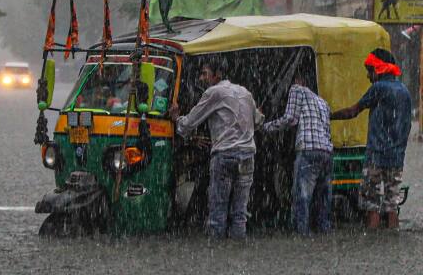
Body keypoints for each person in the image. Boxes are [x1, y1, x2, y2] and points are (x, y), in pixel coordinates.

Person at [170, 60, 264, 239]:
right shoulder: (245, 93)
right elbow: (259, 122)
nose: (201, 78)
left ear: (217, 75)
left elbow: (189, 123)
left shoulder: (214, 92)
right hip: (247, 156)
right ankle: (237, 255)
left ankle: (218, 252)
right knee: (239, 212)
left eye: (205, 74)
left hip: (225, 155)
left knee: (218, 210)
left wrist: (177, 119)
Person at [331, 48, 412, 230]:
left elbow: (353, 111)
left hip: (376, 157)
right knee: (392, 204)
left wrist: (328, 115)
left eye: (370, 71)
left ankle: (371, 239)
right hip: (397, 158)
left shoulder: (379, 88)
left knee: (372, 203)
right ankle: (392, 237)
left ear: (379, 69)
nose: (368, 76)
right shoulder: (405, 92)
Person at [263, 68, 333, 236]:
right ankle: (323, 229)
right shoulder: (322, 102)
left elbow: (291, 118)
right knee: (322, 196)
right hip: (326, 152)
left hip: (308, 149)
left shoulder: (297, 89)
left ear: (298, 79)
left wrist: (267, 127)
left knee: (302, 194)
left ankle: (302, 232)